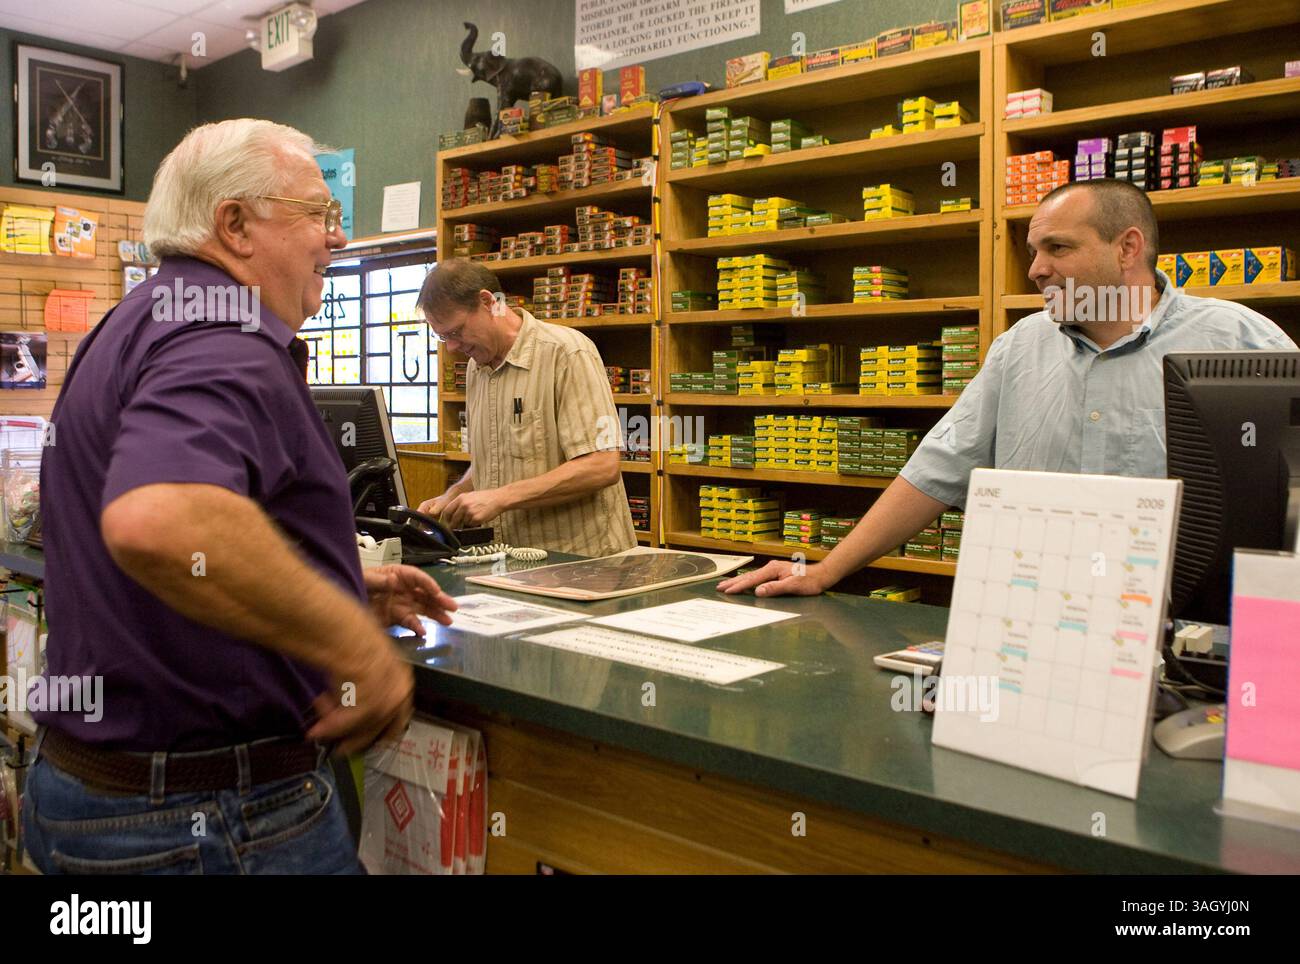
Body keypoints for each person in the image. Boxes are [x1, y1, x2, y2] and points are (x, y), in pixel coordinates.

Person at [24, 119, 457, 875]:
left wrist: (337, 585)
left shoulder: (144, 321)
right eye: (319, 215)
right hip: (205, 821)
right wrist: (354, 646)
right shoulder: (222, 331)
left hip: (102, 798)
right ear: (234, 224)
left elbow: (176, 561)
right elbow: (163, 520)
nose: (339, 239)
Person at [720, 178, 1296, 598]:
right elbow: (935, 471)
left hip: (1187, 631)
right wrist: (825, 569)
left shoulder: (1239, 339)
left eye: (1058, 249)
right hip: (1036, 619)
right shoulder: (1021, 348)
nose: (1036, 270)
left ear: (1127, 248)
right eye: (1033, 252)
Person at [416, 259, 637, 556]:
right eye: (443, 337)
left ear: (488, 303)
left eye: (456, 332)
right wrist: (456, 494)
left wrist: (501, 497)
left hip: (582, 562)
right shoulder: (476, 369)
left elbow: (602, 465)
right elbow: (496, 461)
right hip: (512, 559)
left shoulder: (567, 353)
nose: (451, 348)